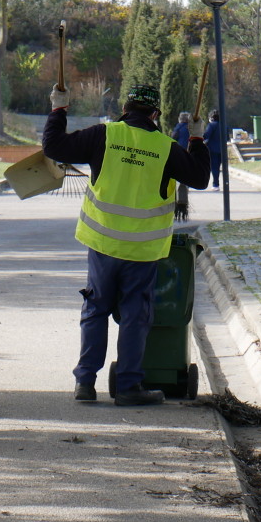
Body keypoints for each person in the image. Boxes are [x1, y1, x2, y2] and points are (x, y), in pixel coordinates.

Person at [42, 83, 210, 406]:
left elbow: (54, 146)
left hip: (103, 244)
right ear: (155, 114)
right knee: (136, 314)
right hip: (142, 251)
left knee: (96, 307)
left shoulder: (104, 136)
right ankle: (130, 387)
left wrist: (58, 110)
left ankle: (85, 383)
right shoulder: (165, 148)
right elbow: (200, 178)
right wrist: (197, 139)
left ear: (124, 108)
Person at [171, 112, 192, 220]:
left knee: (173, 181)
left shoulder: (178, 128)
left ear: (180, 119)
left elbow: (172, 141)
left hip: (178, 156)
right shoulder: (191, 130)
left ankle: (174, 206)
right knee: (184, 183)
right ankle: (183, 204)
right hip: (188, 158)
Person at [202, 110, 222, 190]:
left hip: (212, 149)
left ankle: (215, 184)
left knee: (213, 167)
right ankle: (216, 183)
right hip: (222, 149)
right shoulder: (224, 125)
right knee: (217, 167)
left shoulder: (211, 125)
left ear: (211, 118)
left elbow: (206, 135)